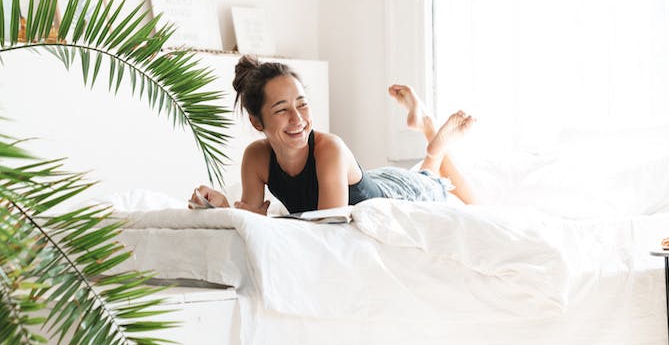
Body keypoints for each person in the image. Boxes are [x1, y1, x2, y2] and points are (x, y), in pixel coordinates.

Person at [190, 55, 477, 215]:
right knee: (427, 173)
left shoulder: (329, 149)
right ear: (257, 122)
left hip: (395, 192)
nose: (298, 118)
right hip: (368, 178)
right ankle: (427, 132)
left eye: (302, 104)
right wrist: (221, 208)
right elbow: (250, 220)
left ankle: (430, 135)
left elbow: (326, 228)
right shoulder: (256, 157)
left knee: (439, 185)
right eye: (281, 110)